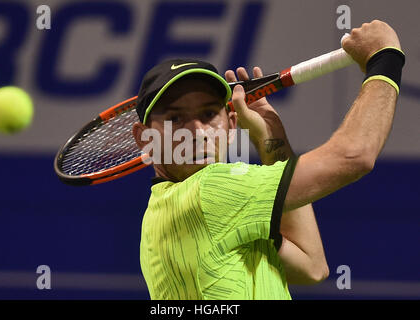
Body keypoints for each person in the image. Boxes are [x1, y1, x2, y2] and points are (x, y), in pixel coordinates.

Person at [132, 20, 404, 299]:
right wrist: (385, 58)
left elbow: (311, 266)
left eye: (209, 114)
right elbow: (354, 155)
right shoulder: (213, 191)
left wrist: (272, 140)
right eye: (175, 118)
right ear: (145, 138)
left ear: (231, 125)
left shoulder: (163, 214)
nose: (197, 131)